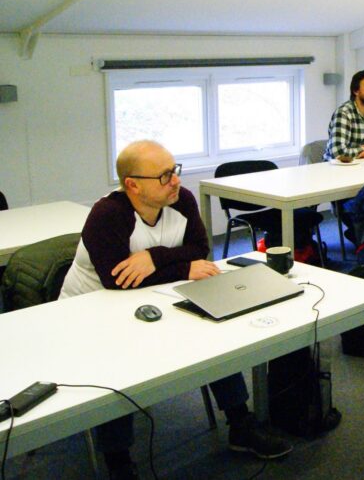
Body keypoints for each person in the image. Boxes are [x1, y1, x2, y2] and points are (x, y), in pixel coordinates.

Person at [60, 141, 292, 479]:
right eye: (164, 175)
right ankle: (118, 461)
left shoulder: (180, 200)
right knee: (115, 365)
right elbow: (117, 280)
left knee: (210, 328)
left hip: (152, 296)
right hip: (90, 310)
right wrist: (182, 267)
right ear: (132, 185)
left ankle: (240, 424)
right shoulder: (107, 215)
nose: (176, 181)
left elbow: (200, 249)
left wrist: (154, 258)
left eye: (175, 170)